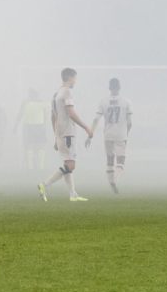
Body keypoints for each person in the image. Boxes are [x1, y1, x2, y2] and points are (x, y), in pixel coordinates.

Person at [38, 68, 93, 202]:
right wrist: (86, 127)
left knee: (67, 163)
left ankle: (73, 194)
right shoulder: (67, 92)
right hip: (68, 133)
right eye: (75, 78)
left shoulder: (56, 94)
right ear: (70, 78)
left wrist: (56, 136)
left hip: (60, 133)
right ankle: (44, 185)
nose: (75, 81)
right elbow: (71, 113)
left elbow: (53, 116)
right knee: (70, 165)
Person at [87, 78, 133, 194]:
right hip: (121, 134)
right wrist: (126, 134)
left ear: (109, 88)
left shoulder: (103, 101)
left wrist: (90, 134)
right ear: (119, 87)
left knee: (110, 160)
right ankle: (115, 181)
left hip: (107, 134)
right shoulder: (126, 101)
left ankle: (111, 182)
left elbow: (96, 119)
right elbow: (130, 122)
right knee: (121, 161)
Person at [13, 88, 48, 169]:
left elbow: (20, 114)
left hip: (29, 126)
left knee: (30, 146)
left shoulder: (25, 103)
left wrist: (16, 126)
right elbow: (45, 115)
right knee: (40, 146)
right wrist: (44, 123)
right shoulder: (41, 102)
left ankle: (31, 166)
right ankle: (40, 166)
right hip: (39, 126)